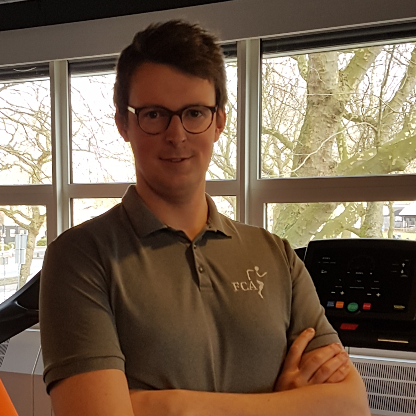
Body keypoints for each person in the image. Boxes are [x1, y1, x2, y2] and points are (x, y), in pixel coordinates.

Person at [39, 20, 371, 416]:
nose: (176, 135)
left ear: (219, 122)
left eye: (194, 112)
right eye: (154, 114)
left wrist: (167, 405)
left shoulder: (276, 256)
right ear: (124, 124)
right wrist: (288, 404)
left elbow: (351, 405)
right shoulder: (79, 257)